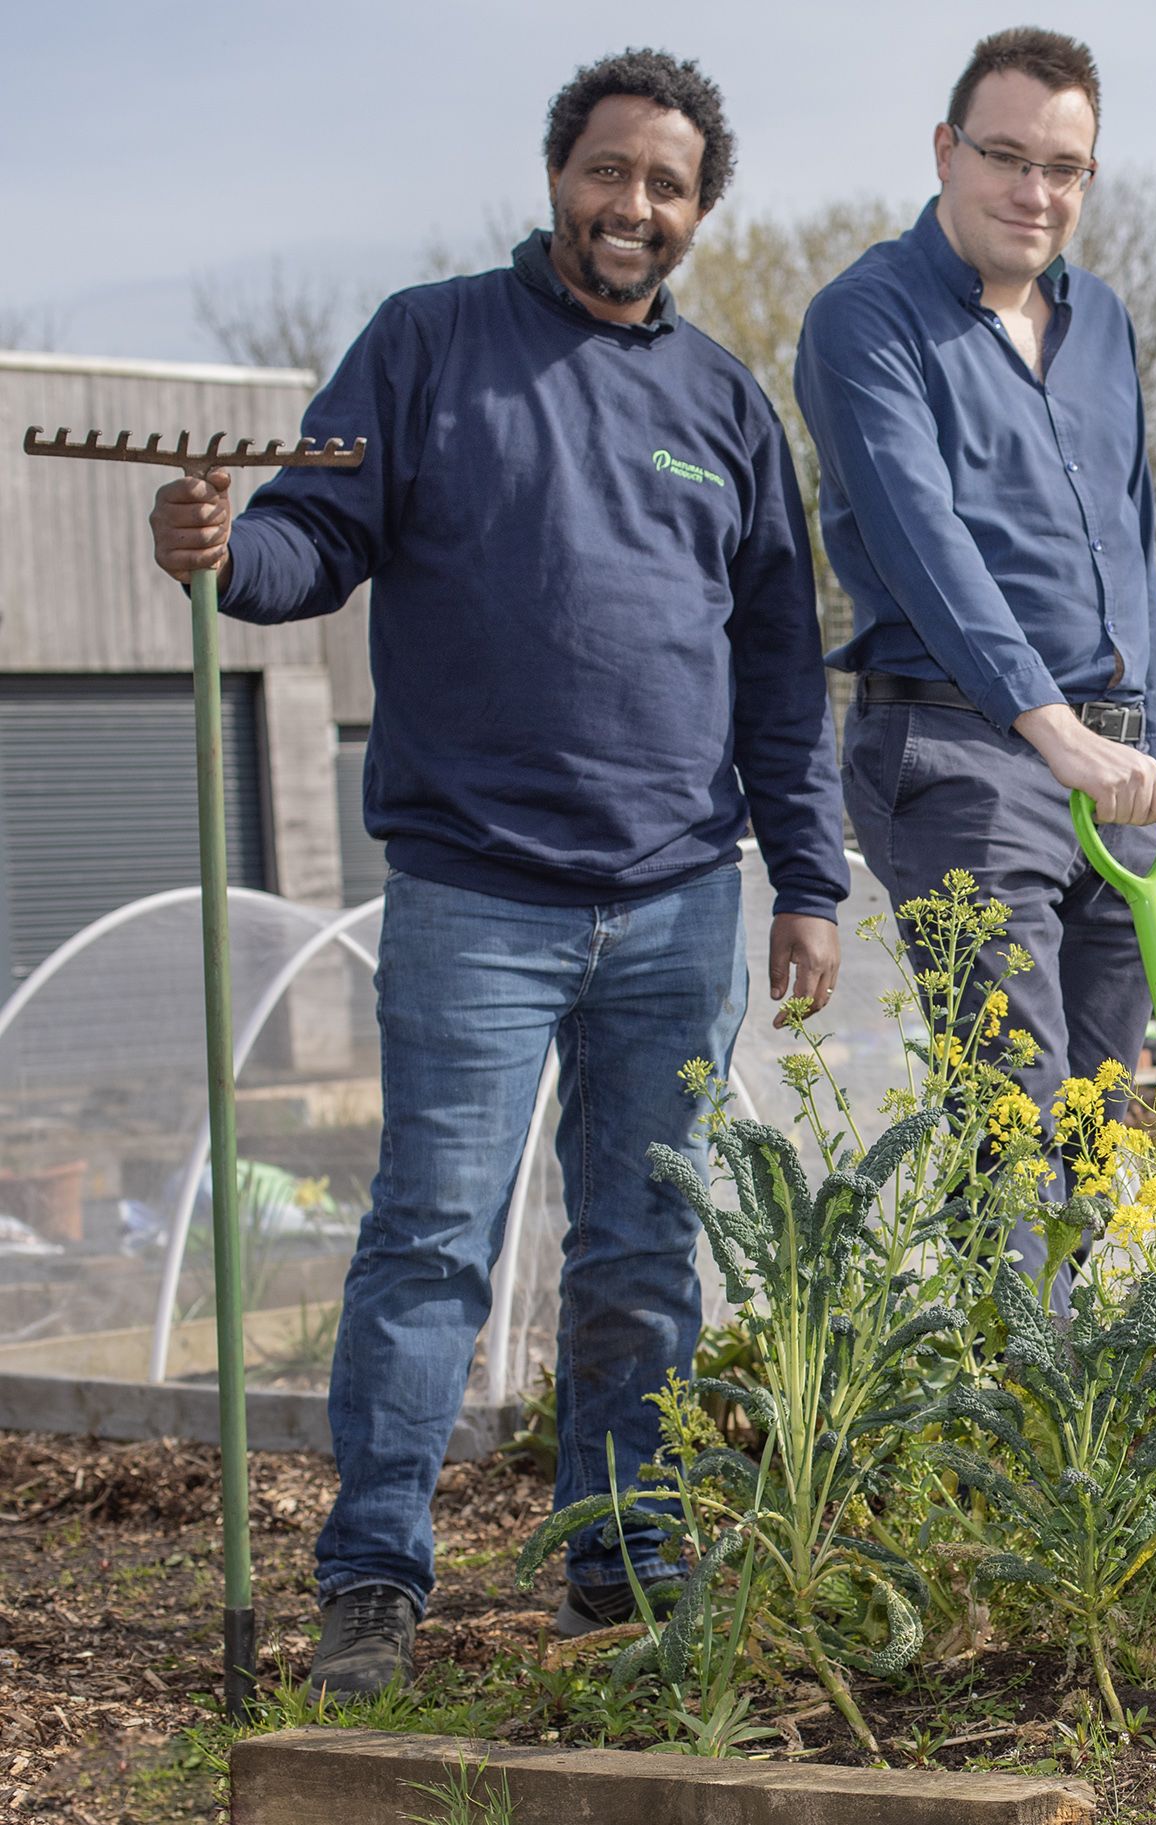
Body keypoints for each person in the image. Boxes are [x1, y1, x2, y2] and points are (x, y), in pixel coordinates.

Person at [146, 49, 848, 1697]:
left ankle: (621, 1561)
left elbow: (779, 669)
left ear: (698, 212)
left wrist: (810, 880)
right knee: (431, 1243)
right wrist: (224, 555)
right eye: (610, 171)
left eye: (667, 184)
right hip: (476, 893)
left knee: (641, 1254)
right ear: (557, 177)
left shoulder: (727, 407)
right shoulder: (428, 344)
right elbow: (313, 539)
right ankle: (374, 1583)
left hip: (680, 898)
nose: (634, 205)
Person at [795, 28, 1156, 1272]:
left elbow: (1134, 550)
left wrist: (1155, 751)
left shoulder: (1103, 322)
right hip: (959, 752)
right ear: (945, 152)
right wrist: (1051, 729)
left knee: (1097, 1127)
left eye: (1065, 168)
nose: (1035, 191)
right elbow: (923, 545)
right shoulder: (866, 318)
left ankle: (1074, 1384)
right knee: (1013, 1113)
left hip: (1114, 766)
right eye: (1006, 156)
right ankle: (1009, 1386)